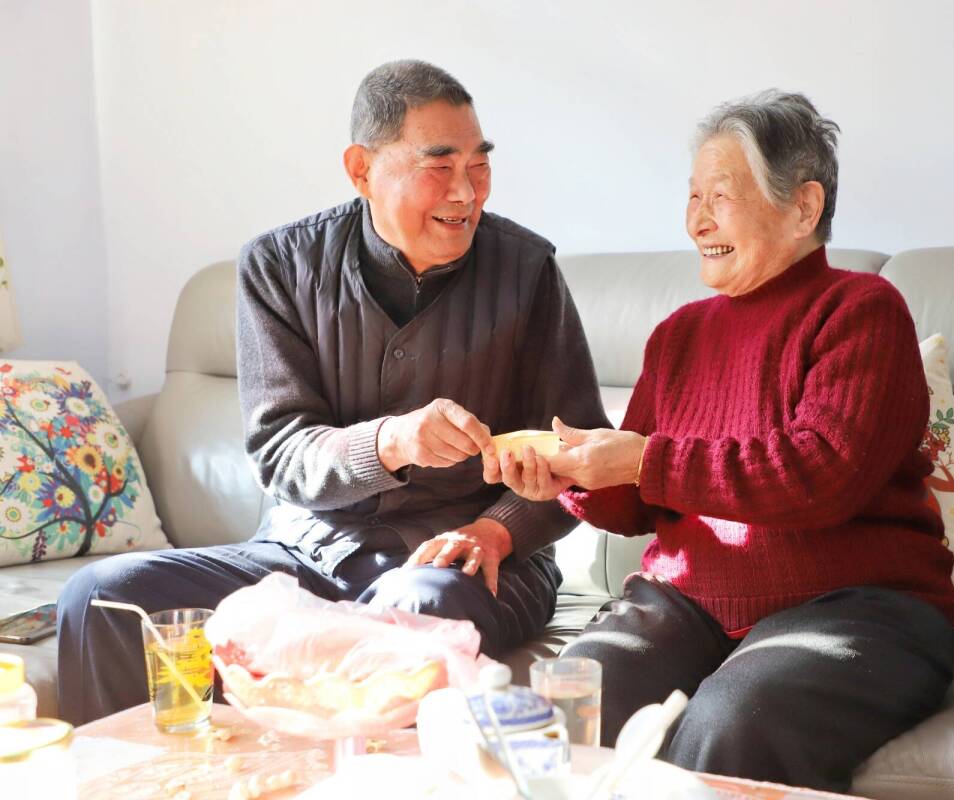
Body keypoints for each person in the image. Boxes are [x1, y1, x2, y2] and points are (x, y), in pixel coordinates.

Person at [56, 59, 608, 725]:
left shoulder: (526, 270)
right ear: (361, 169)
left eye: (479, 164)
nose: (466, 191)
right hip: (305, 551)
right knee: (102, 595)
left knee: (413, 615)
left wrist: (497, 529)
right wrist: (390, 442)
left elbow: (581, 451)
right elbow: (281, 453)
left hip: (463, 564)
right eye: (440, 165)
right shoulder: (277, 267)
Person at [487, 90, 954, 791]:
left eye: (720, 196)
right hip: (687, 604)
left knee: (732, 723)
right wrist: (574, 476)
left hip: (860, 607)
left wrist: (642, 460)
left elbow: (822, 473)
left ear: (803, 207)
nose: (697, 219)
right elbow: (641, 500)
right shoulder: (678, 335)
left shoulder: (862, 311)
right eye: (692, 196)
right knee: (560, 712)